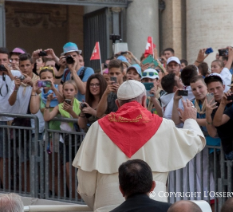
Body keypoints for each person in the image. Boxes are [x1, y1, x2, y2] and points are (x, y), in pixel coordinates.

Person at [72, 80, 205, 211]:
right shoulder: (163, 125)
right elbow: (194, 141)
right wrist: (190, 119)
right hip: (155, 202)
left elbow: (85, 181)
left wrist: (96, 205)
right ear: (144, 100)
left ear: (117, 103)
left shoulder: (97, 128)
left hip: (107, 203)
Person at [170, 76, 216, 205]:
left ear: (206, 87)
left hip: (211, 148)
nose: (198, 91)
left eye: (200, 87)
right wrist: (175, 102)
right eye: (194, 89)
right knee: (197, 181)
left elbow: (210, 123)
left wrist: (189, 119)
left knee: (209, 180)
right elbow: (175, 121)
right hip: (197, 149)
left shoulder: (212, 101)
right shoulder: (190, 103)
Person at [8, 53, 44, 192]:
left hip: (36, 128)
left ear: (32, 66)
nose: (24, 68)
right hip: (22, 128)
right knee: (23, 161)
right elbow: (11, 102)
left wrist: (31, 83)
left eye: (27, 65)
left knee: (35, 161)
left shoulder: (38, 79)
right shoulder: (15, 81)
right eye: (22, 66)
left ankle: (37, 190)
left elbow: (42, 90)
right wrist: (16, 88)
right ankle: (26, 190)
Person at [29, 66, 64, 196]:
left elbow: (63, 102)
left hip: (62, 133)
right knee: (51, 167)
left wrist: (54, 88)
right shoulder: (39, 95)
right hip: (49, 134)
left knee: (59, 167)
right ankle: (56, 194)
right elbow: (33, 110)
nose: (47, 80)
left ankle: (62, 194)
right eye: (44, 78)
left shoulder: (59, 90)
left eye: (49, 78)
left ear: (53, 78)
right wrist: (34, 90)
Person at [43, 80, 81, 197]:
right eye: (66, 90)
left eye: (71, 90)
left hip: (79, 141)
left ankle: (80, 198)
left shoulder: (80, 104)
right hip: (66, 142)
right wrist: (48, 103)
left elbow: (81, 122)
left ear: (75, 91)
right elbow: (47, 117)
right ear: (63, 92)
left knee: (78, 173)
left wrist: (70, 111)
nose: (68, 92)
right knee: (68, 171)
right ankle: (73, 197)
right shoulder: (59, 106)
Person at [0, 47, 22, 189]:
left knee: (9, 157)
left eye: (4, 60)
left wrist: (9, 72)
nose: (1, 63)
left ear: (9, 61)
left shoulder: (15, 73)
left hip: (12, 120)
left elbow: (26, 81)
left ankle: (8, 187)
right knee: (2, 157)